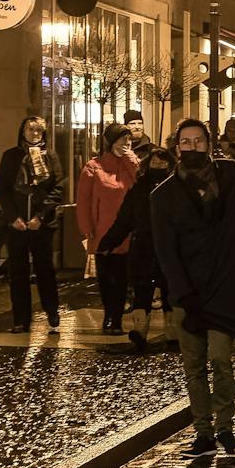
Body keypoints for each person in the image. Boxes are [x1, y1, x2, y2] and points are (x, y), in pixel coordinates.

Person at [151, 118, 235, 455]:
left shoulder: (228, 175)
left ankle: (226, 427)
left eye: (198, 141)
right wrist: (184, 295)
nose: (192, 148)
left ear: (209, 143)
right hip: (186, 293)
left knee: (220, 359)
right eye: (185, 142)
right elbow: (165, 250)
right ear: (177, 148)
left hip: (220, 289)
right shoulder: (162, 195)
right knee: (193, 366)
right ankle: (202, 432)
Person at [99, 142, 176, 351]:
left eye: (162, 159)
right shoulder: (139, 188)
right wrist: (108, 242)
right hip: (143, 248)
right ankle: (140, 332)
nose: (158, 163)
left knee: (171, 292)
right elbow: (125, 219)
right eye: (155, 159)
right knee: (142, 291)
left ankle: (173, 333)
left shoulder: (176, 187)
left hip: (169, 248)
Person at [0, 116, 64, 334]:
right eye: (30, 130)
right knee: (18, 271)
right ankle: (21, 319)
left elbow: (57, 188)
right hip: (17, 225)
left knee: (45, 268)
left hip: (41, 224)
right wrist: (13, 217)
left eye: (38, 131)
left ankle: (51, 310)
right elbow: (2, 189)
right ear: (22, 131)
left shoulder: (50, 156)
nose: (34, 134)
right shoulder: (11, 157)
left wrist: (41, 216)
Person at [75, 125, 139, 333]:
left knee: (122, 276)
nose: (125, 144)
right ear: (110, 142)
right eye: (121, 140)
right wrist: (86, 229)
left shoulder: (132, 164)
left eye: (128, 140)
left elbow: (141, 181)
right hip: (103, 231)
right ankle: (110, 316)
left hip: (127, 232)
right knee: (106, 277)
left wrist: (130, 159)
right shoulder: (94, 167)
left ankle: (117, 318)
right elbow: (83, 200)